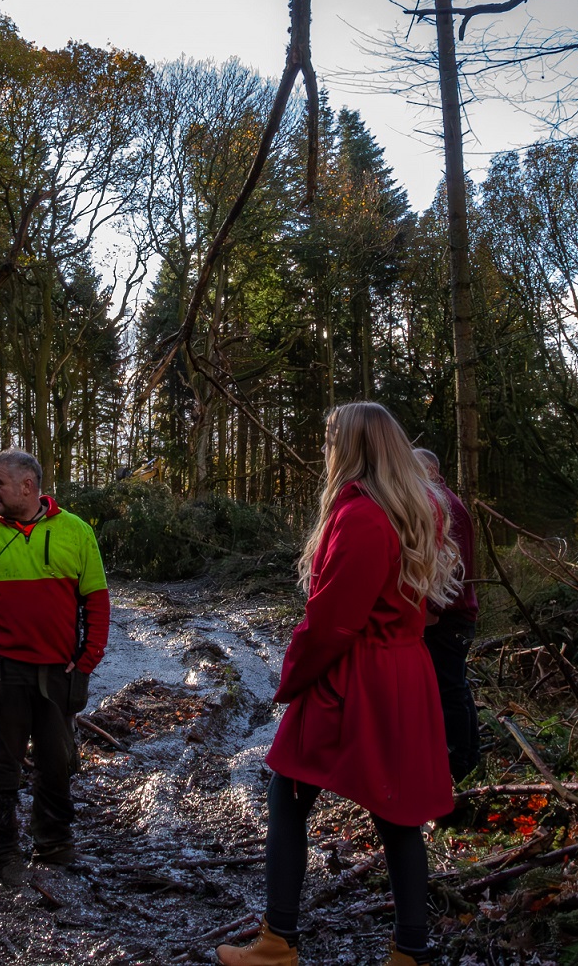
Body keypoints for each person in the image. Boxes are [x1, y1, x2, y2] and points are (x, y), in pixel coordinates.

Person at [219, 403, 460, 966]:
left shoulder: (363, 517)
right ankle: (413, 950)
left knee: (288, 792)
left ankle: (278, 944)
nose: (325, 448)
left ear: (351, 446)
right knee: (397, 813)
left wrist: (293, 678)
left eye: (330, 439)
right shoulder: (414, 510)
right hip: (402, 671)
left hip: (355, 675)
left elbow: (334, 623)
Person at [0, 450, 110, 887]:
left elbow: (96, 600)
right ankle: (2, 855)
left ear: (27, 486)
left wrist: (86, 661)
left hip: (59, 672)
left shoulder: (75, 532)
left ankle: (54, 843)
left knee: (57, 762)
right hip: (3, 672)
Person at [413, 448, 479, 784]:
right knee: (456, 688)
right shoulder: (442, 501)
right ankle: (469, 761)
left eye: (413, 470)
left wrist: (434, 610)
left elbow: (452, 565)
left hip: (450, 616)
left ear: (432, 471)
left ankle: (458, 768)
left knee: (449, 690)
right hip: (455, 613)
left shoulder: (443, 506)